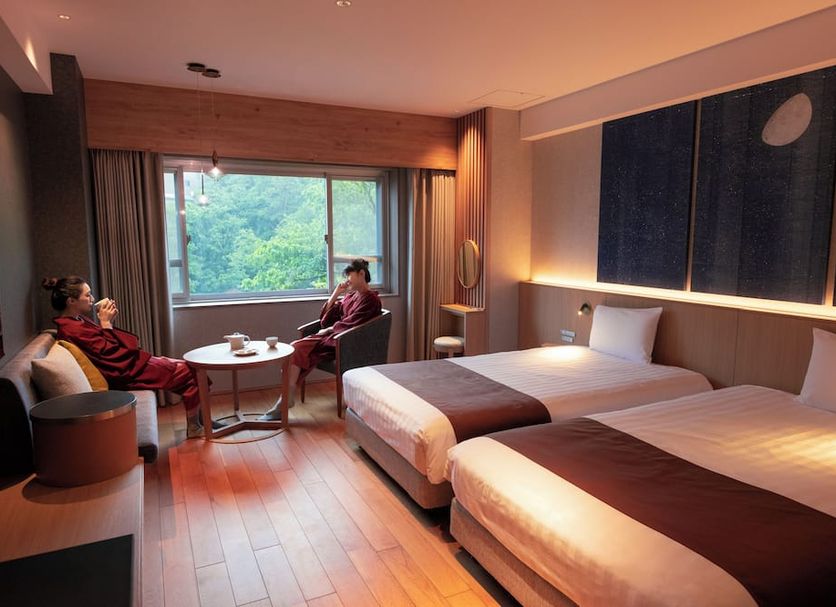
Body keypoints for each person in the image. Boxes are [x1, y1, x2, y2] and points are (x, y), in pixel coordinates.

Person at [43, 276, 219, 438]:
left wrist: (107, 324)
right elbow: (111, 355)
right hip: (123, 372)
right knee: (190, 372)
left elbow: (105, 347)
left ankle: (202, 421)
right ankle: (195, 426)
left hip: (126, 364)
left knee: (192, 368)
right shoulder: (72, 329)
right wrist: (105, 323)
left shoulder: (76, 321)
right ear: (71, 301)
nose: (92, 298)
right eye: (87, 295)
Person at [260, 259, 382, 420]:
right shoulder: (351, 296)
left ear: (361, 274)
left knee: (296, 349)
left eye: (349, 276)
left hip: (345, 343)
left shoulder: (371, 300)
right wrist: (335, 294)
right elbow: (326, 318)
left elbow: (354, 323)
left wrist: (330, 329)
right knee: (294, 350)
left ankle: (285, 400)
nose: (347, 280)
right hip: (331, 336)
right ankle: (285, 398)